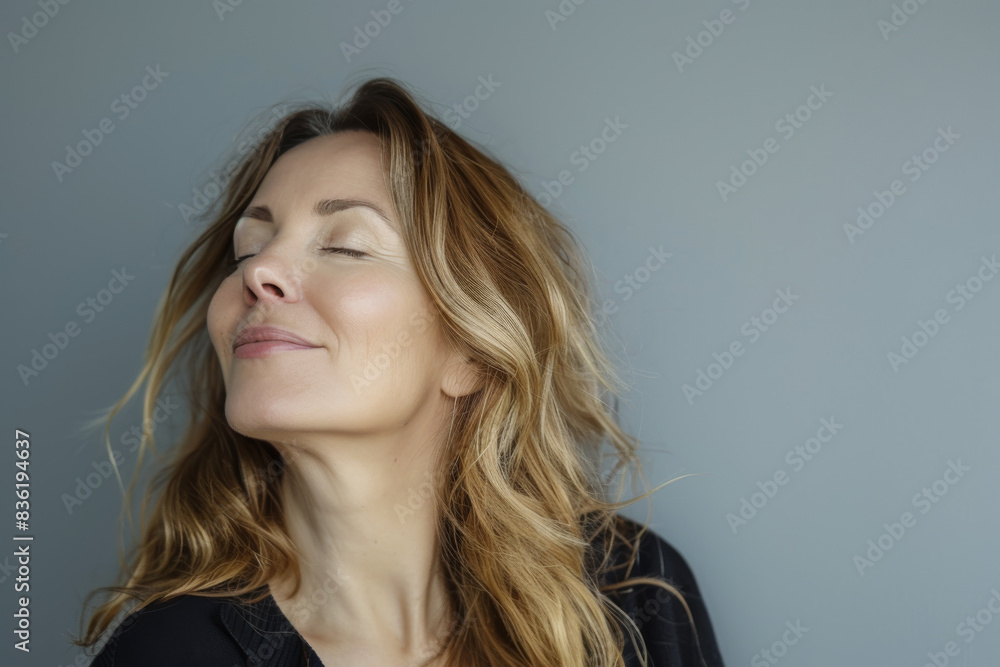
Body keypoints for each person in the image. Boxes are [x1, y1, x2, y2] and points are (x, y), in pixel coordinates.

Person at [75, 76, 725, 666]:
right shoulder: (167, 655)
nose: (257, 271)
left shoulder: (634, 596)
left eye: (345, 245)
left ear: (470, 351)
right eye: (248, 247)